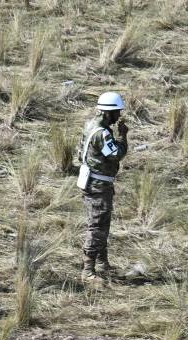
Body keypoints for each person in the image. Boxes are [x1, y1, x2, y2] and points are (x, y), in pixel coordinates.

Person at [77, 92, 129, 280]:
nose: (119, 115)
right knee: (98, 225)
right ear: (109, 112)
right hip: (99, 185)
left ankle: (102, 262)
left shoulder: (90, 125)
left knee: (101, 223)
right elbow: (116, 155)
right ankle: (88, 270)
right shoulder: (102, 133)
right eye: (117, 112)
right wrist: (123, 137)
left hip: (92, 181)